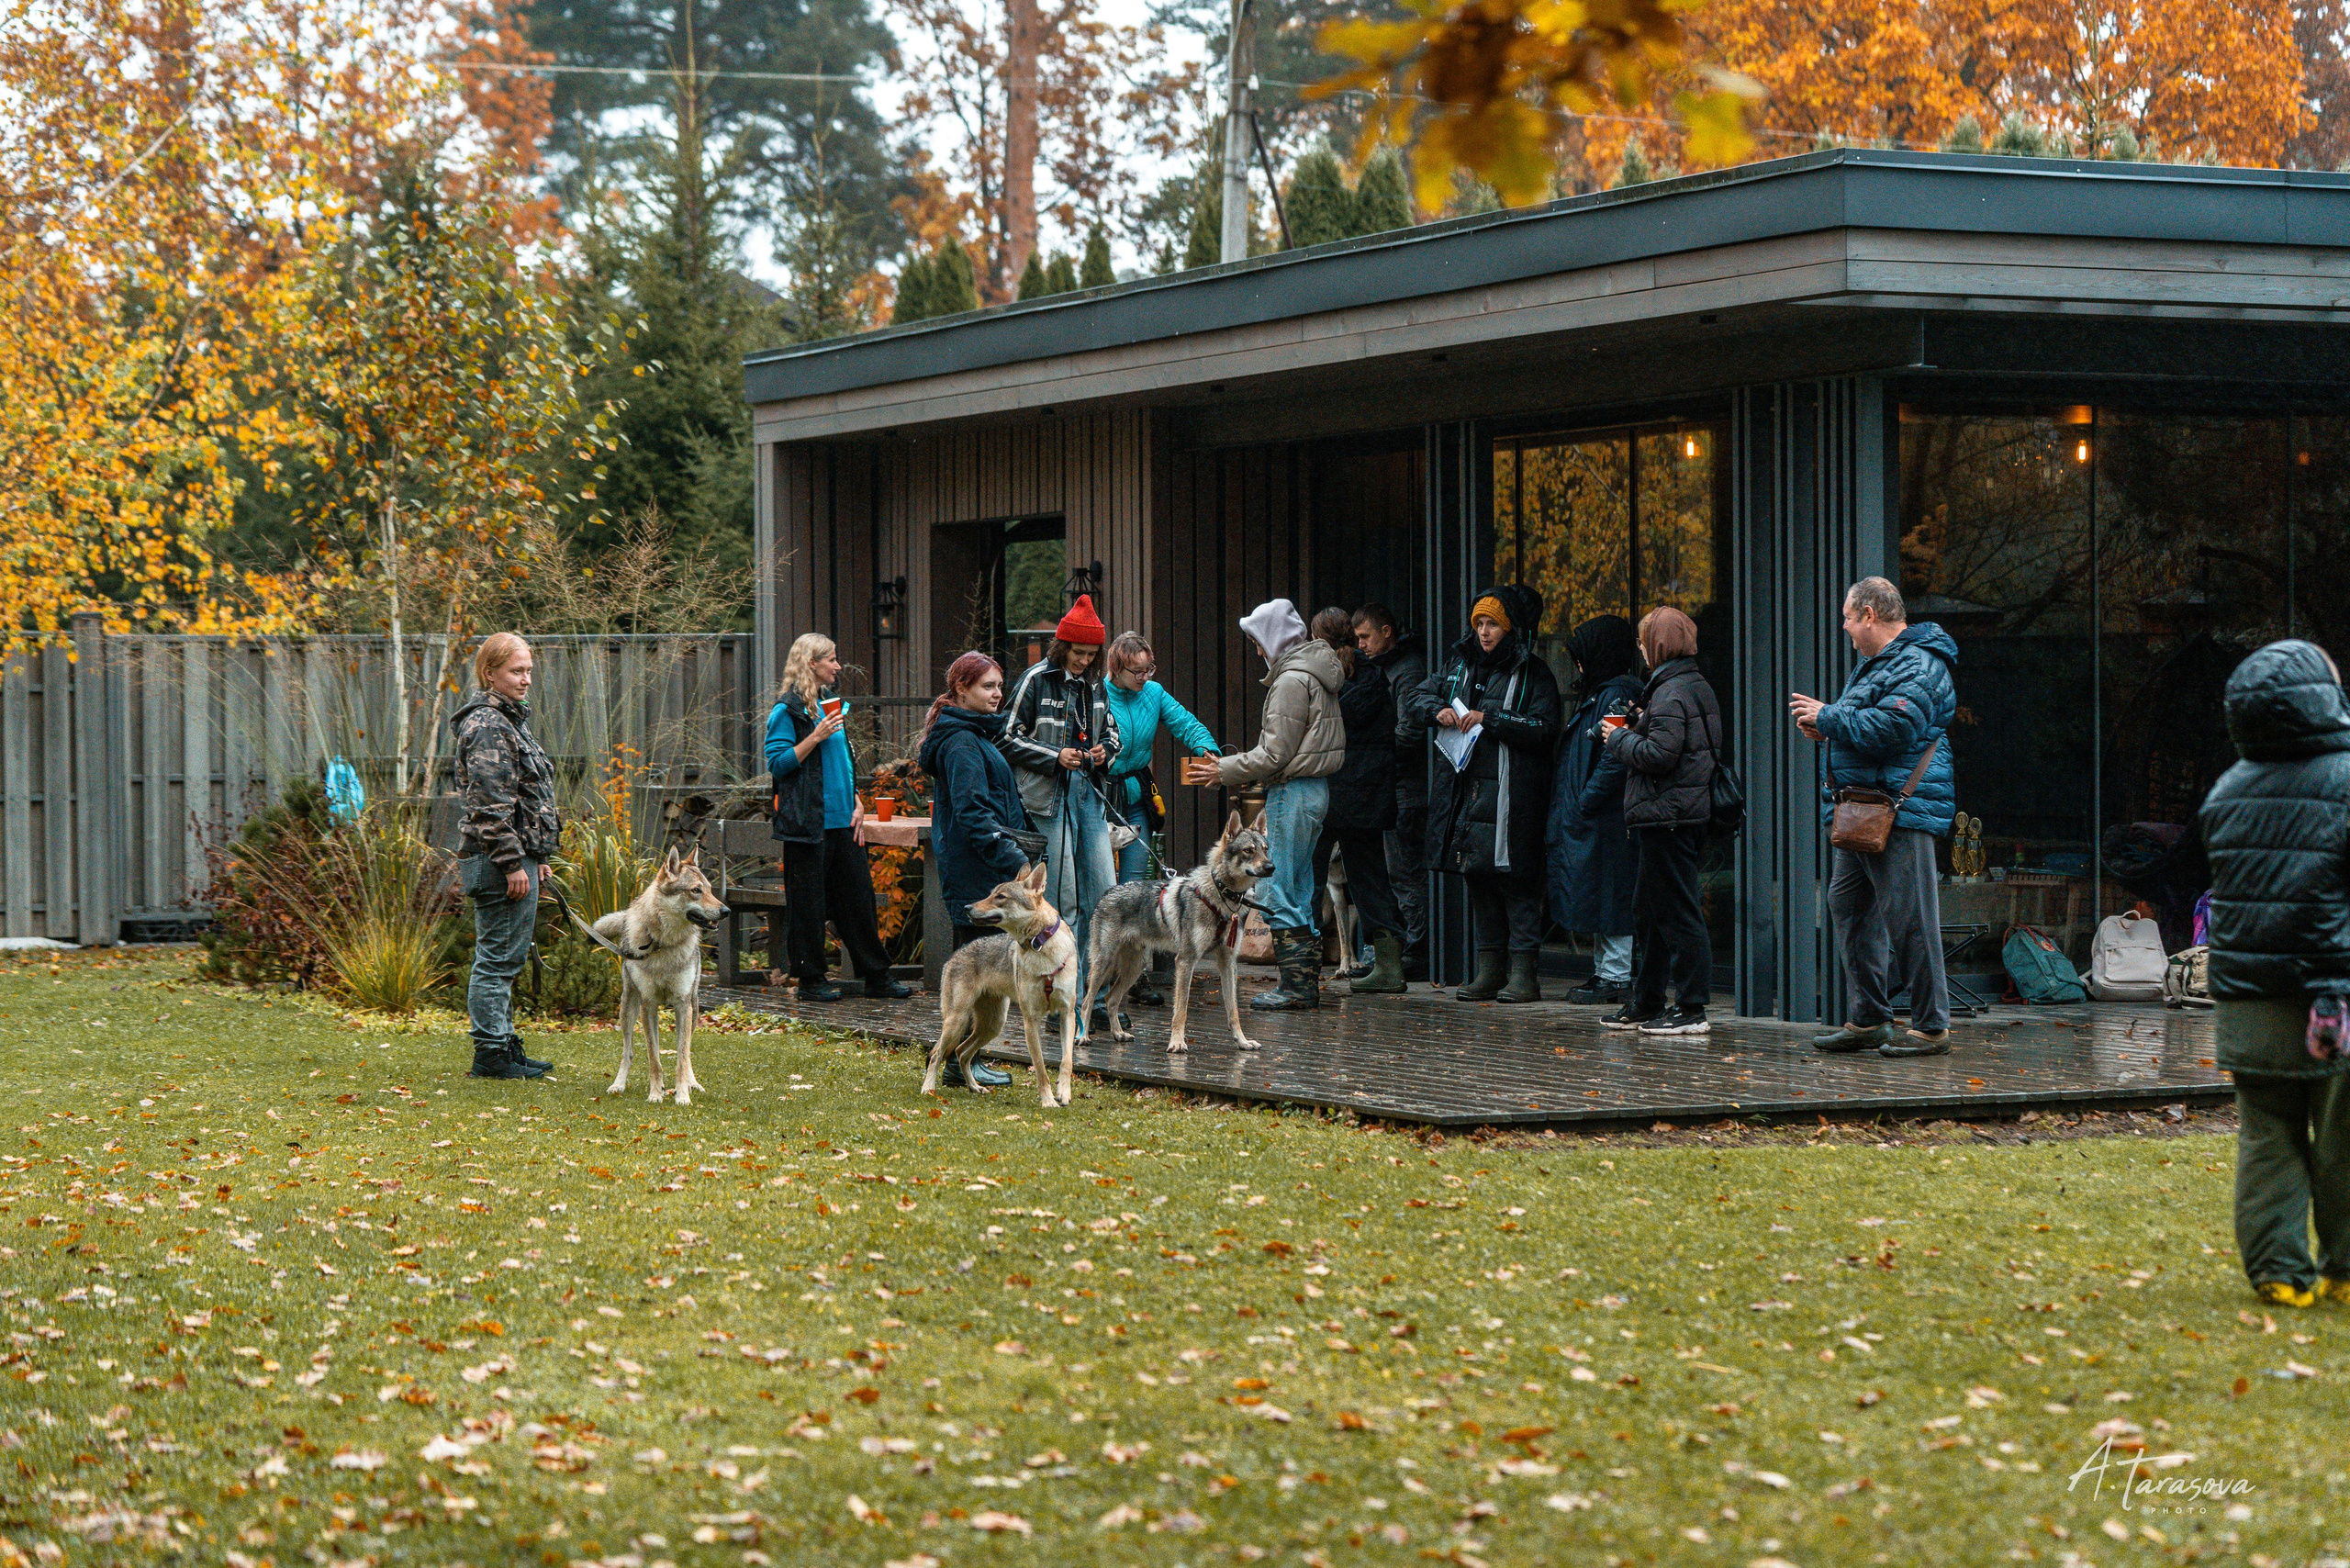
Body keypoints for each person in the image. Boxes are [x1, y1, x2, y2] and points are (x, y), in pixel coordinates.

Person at [2199, 638, 2350, 1310]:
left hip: (2248, 998)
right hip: (2334, 997)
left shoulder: (2227, 790)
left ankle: (2279, 1273)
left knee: (2268, 1134)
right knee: (2343, 1136)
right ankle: (2344, 1269)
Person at [1790, 577, 1959, 1057]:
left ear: (1869, 614)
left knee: (1911, 920)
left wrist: (1829, 717)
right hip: (1864, 811)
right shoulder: (1882, 664)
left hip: (1898, 811)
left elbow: (1895, 728)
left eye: (1847, 617)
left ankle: (1931, 1026)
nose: (1844, 627)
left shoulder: (1920, 663)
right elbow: (1869, 725)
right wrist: (1830, 728)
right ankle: (1870, 1018)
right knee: (1848, 907)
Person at [1408, 585, 1560, 1003]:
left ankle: (1524, 975)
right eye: (1479, 624)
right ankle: (1489, 971)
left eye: (1492, 624)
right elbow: (1418, 695)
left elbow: (1545, 728)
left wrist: (1490, 719)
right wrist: (1435, 711)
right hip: (1466, 791)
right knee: (1478, 878)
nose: (1484, 632)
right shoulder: (1459, 665)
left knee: (1517, 883)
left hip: (1513, 795)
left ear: (1508, 627)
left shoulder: (1533, 672)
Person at [1199, 599, 1345, 1010]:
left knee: (1280, 887)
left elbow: (1274, 754)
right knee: (1299, 886)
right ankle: (1302, 986)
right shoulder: (1315, 673)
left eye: (1259, 642)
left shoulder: (1291, 681)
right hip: (1315, 791)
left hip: (1293, 791)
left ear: (1274, 639)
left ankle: (1297, 988)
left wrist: (1224, 770)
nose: (1258, 651)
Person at [765, 633, 914, 1003]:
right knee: (808, 904)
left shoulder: (830, 707)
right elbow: (778, 763)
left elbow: (842, 766)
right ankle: (812, 980)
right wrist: (814, 736)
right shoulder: (787, 712)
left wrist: (858, 801)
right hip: (806, 825)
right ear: (812, 663)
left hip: (843, 822)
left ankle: (877, 977)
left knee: (858, 900)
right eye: (832, 659)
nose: (838, 665)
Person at [1603, 606, 1721, 1036]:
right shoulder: (1687, 685)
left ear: (1658, 644)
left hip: (1668, 816)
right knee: (1650, 912)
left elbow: (1660, 756)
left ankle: (1691, 1008)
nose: (1640, 649)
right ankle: (1648, 1001)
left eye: (1643, 641)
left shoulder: (1672, 691)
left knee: (1676, 912)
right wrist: (1638, 724)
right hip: (1674, 814)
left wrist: (1619, 738)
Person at [912, 651, 1025, 1089]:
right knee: (974, 979)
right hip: (977, 870)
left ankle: (966, 1060)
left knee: (983, 976)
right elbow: (973, 813)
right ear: (962, 689)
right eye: (987, 686)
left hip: (982, 865)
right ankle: (959, 1064)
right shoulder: (961, 741)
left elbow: (997, 802)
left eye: (1000, 686)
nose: (998, 694)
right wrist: (1013, 859)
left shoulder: (973, 734)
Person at [1002, 595, 1121, 1010]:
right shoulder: (1035, 679)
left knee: (1105, 895)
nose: (1084, 661)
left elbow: (1113, 731)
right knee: (1063, 899)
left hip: (1089, 797)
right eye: (1078, 652)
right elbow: (1006, 736)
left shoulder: (1096, 683)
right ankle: (1062, 998)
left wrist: (1107, 749)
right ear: (1062, 647)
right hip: (1048, 801)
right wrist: (1054, 757)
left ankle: (1096, 998)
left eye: (1091, 654)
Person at [452, 632, 556, 1080]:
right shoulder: (489, 726)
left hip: (517, 857)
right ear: (489, 673)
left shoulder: (510, 722)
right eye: (517, 670)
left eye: (529, 670)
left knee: (507, 957)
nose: (526, 679)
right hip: (498, 863)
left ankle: (503, 1044)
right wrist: (514, 863)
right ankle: (491, 1053)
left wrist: (539, 855)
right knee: (496, 959)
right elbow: (490, 807)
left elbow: (525, 801)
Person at [1102, 631, 1222, 1003]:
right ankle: (1102, 977)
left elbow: (1185, 723)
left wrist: (1208, 750)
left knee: (1136, 885)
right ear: (1117, 669)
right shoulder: (1097, 695)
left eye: (1149, 669)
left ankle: (1133, 977)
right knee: (1105, 886)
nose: (1144, 677)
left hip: (1137, 794)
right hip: (1100, 795)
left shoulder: (1153, 694)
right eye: (1136, 671)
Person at [1307, 608, 1408, 993]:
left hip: (1326, 791)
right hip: (1367, 795)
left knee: (1307, 880)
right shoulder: (1376, 679)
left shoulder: (1320, 681)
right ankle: (1389, 966)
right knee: (1370, 879)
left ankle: (1301, 973)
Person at [1545, 615, 1642, 1004]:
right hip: (1597, 815)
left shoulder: (1615, 694)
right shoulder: (1605, 692)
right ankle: (1606, 973)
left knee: (1611, 894)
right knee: (1601, 894)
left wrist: (1586, 800)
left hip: (1605, 817)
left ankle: (1615, 976)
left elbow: (1614, 756)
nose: (1579, 664)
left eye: (1583, 656)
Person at [1356, 605, 1431, 980]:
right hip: (1392, 782)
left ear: (1387, 632)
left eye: (1366, 637)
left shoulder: (1407, 670)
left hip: (1406, 786)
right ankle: (1403, 949)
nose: (1361, 645)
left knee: (1405, 872)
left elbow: (1411, 731)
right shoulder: (1386, 669)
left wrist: (1376, 751)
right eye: (1356, 639)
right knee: (1394, 871)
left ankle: (1417, 951)